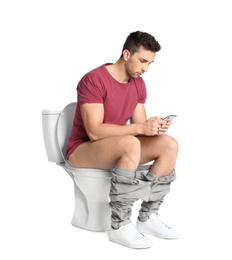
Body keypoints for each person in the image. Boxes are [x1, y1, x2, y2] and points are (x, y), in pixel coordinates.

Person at [66, 31, 179, 249]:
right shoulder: (94, 79)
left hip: (119, 145)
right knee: (130, 143)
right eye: (143, 61)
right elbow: (95, 132)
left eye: (150, 63)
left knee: (169, 144)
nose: (145, 68)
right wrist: (139, 128)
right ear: (127, 54)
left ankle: (147, 216)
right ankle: (119, 225)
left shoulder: (138, 83)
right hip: (82, 149)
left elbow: (139, 130)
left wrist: (153, 127)